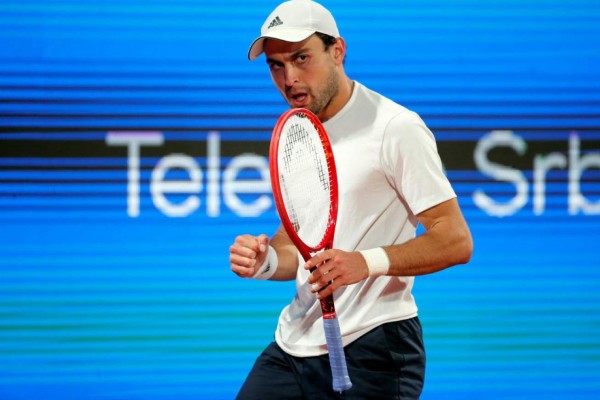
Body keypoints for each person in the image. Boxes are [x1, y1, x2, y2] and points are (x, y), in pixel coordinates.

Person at [229, 1, 473, 398]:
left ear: (337, 51)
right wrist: (265, 260)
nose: (289, 78)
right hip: (295, 344)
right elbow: (296, 243)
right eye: (276, 65)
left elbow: (456, 240)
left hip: (375, 346)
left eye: (301, 58)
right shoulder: (300, 133)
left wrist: (365, 262)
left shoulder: (396, 128)